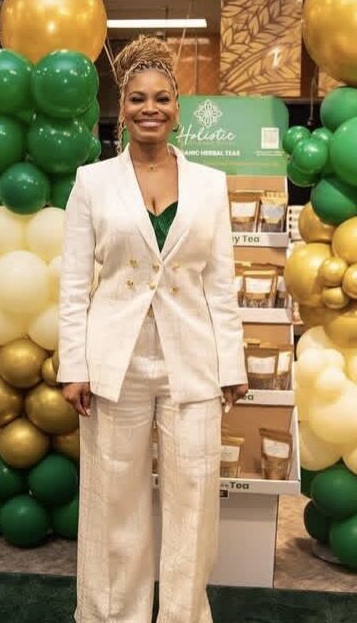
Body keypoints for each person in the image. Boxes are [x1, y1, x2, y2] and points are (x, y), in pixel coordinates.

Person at [56, 35, 248, 623]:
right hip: (114, 362)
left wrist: (233, 363)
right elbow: (73, 283)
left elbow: (220, 282)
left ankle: (184, 615)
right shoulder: (92, 182)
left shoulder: (210, 184)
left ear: (177, 109)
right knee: (114, 498)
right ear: (122, 107)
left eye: (161, 98)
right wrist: (74, 365)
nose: (150, 108)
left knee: (195, 496)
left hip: (194, 361)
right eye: (138, 98)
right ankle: (114, 613)